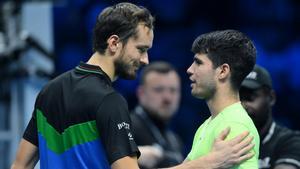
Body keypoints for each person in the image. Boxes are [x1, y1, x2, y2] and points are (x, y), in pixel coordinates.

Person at [11, 3, 254, 169]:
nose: (145, 60)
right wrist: (209, 162)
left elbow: (19, 166)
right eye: (141, 49)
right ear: (114, 43)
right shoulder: (109, 101)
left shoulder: (49, 91)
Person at [186, 29, 260, 168]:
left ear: (223, 71)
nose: (190, 69)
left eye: (198, 63)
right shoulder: (207, 125)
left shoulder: (235, 126)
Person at [240, 64, 300, 169]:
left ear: (271, 98)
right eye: (238, 98)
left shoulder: (290, 141)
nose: (243, 105)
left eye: (250, 97)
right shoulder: (222, 141)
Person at [131, 61, 183, 168]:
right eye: (159, 90)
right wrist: (131, 156)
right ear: (141, 93)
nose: (167, 98)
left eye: (173, 90)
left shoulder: (174, 140)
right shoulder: (125, 126)